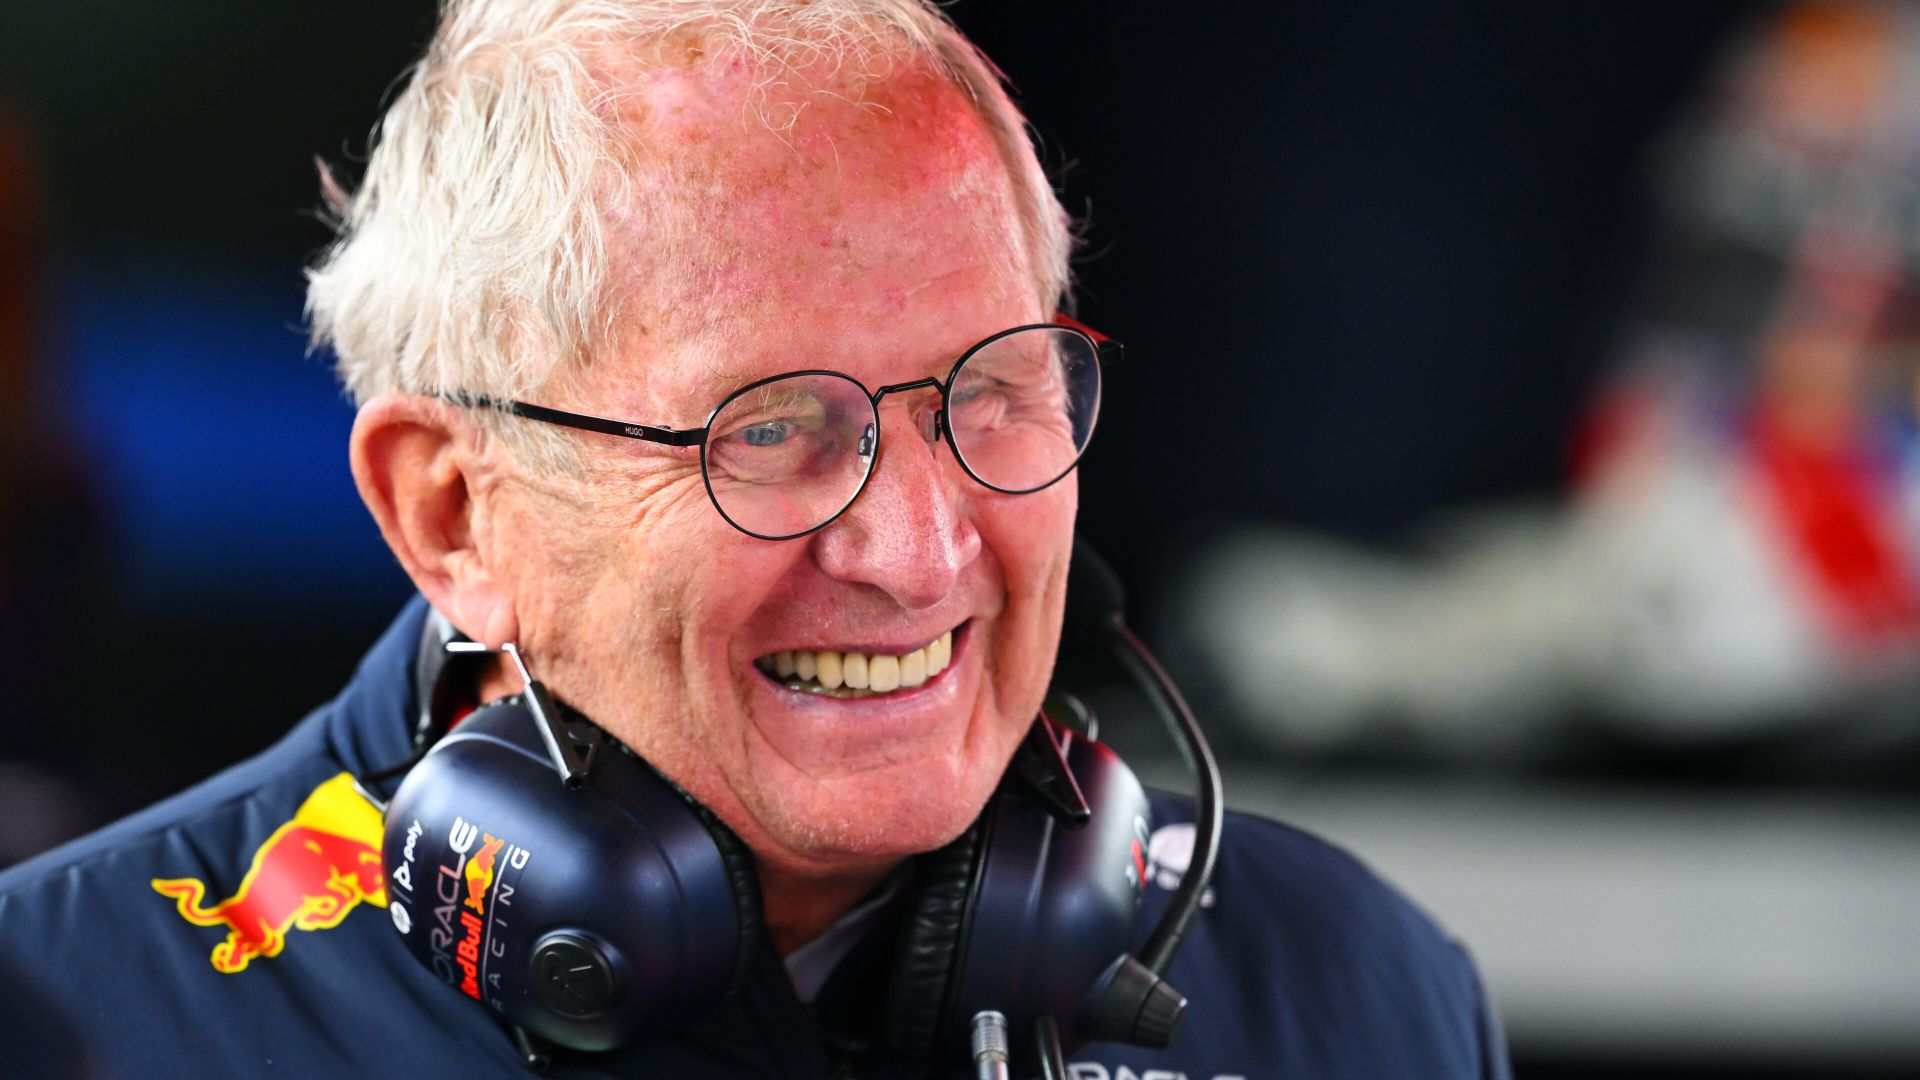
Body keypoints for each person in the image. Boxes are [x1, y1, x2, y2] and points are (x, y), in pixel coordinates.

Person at [0, 2, 1510, 1076]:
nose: (919, 550)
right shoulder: (68, 1011)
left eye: (992, 391)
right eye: (770, 431)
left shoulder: (1357, 991)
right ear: (454, 513)